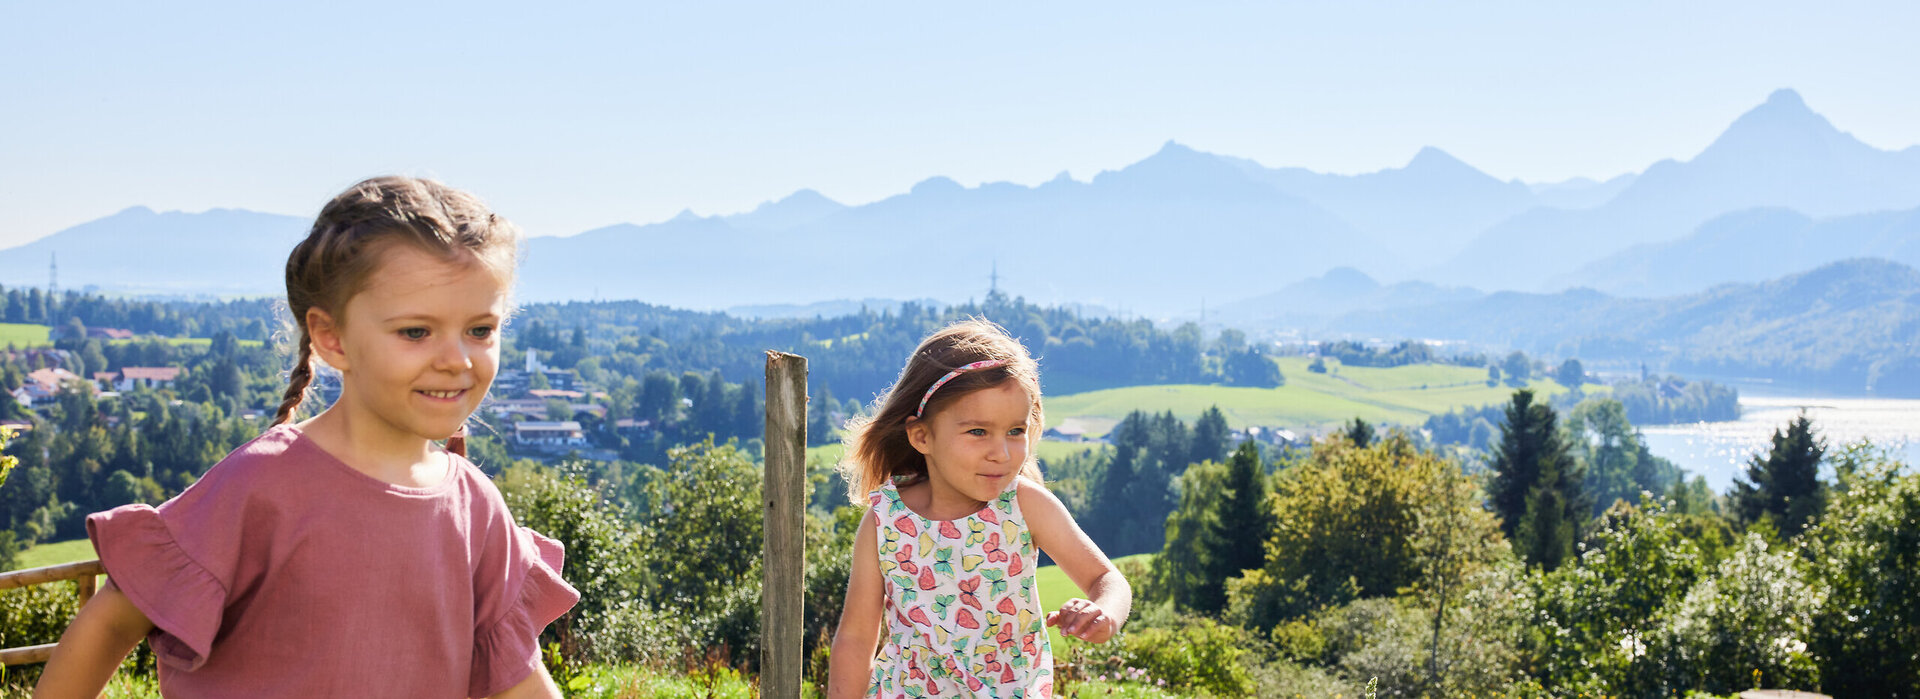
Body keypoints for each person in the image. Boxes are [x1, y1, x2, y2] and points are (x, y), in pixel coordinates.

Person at [35, 177, 578, 698]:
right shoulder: (260, 485)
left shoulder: (477, 507)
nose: (457, 360)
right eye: (416, 331)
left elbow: (515, 678)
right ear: (331, 337)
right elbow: (110, 624)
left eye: (480, 330)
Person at [826, 320, 1131, 699]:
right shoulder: (886, 521)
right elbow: (855, 640)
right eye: (977, 432)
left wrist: (1104, 613)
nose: (1001, 453)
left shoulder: (1024, 505)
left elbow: (1108, 579)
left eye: (1015, 431)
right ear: (922, 435)